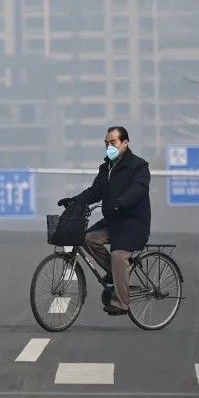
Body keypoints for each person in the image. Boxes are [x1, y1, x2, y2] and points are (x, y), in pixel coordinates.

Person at [58, 126, 151, 316]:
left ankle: (122, 303)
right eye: (106, 143)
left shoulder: (138, 166)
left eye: (113, 142)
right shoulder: (106, 167)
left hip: (133, 223)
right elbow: (95, 192)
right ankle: (116, 273)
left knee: (118, 255)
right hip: (113, 222)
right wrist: (75, 201)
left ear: (125, 143)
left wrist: (120, 203)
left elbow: (138, 189)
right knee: (88, 238)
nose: (109, 146)